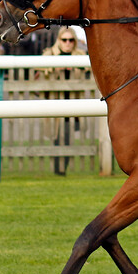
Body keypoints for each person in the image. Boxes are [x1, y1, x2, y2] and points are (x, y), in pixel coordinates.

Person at [38, 28, 87, 176]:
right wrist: (55, 66)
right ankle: (57, 169)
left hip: (73, 101)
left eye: (71, 40)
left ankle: (62, 169)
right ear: (58, 40)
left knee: (68, 135)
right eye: (64, 40)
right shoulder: (49, 54)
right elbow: (41, 69)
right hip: (54, 100)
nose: (67, 43)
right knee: (55, 135)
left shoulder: (80, 55)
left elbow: (87, 70)